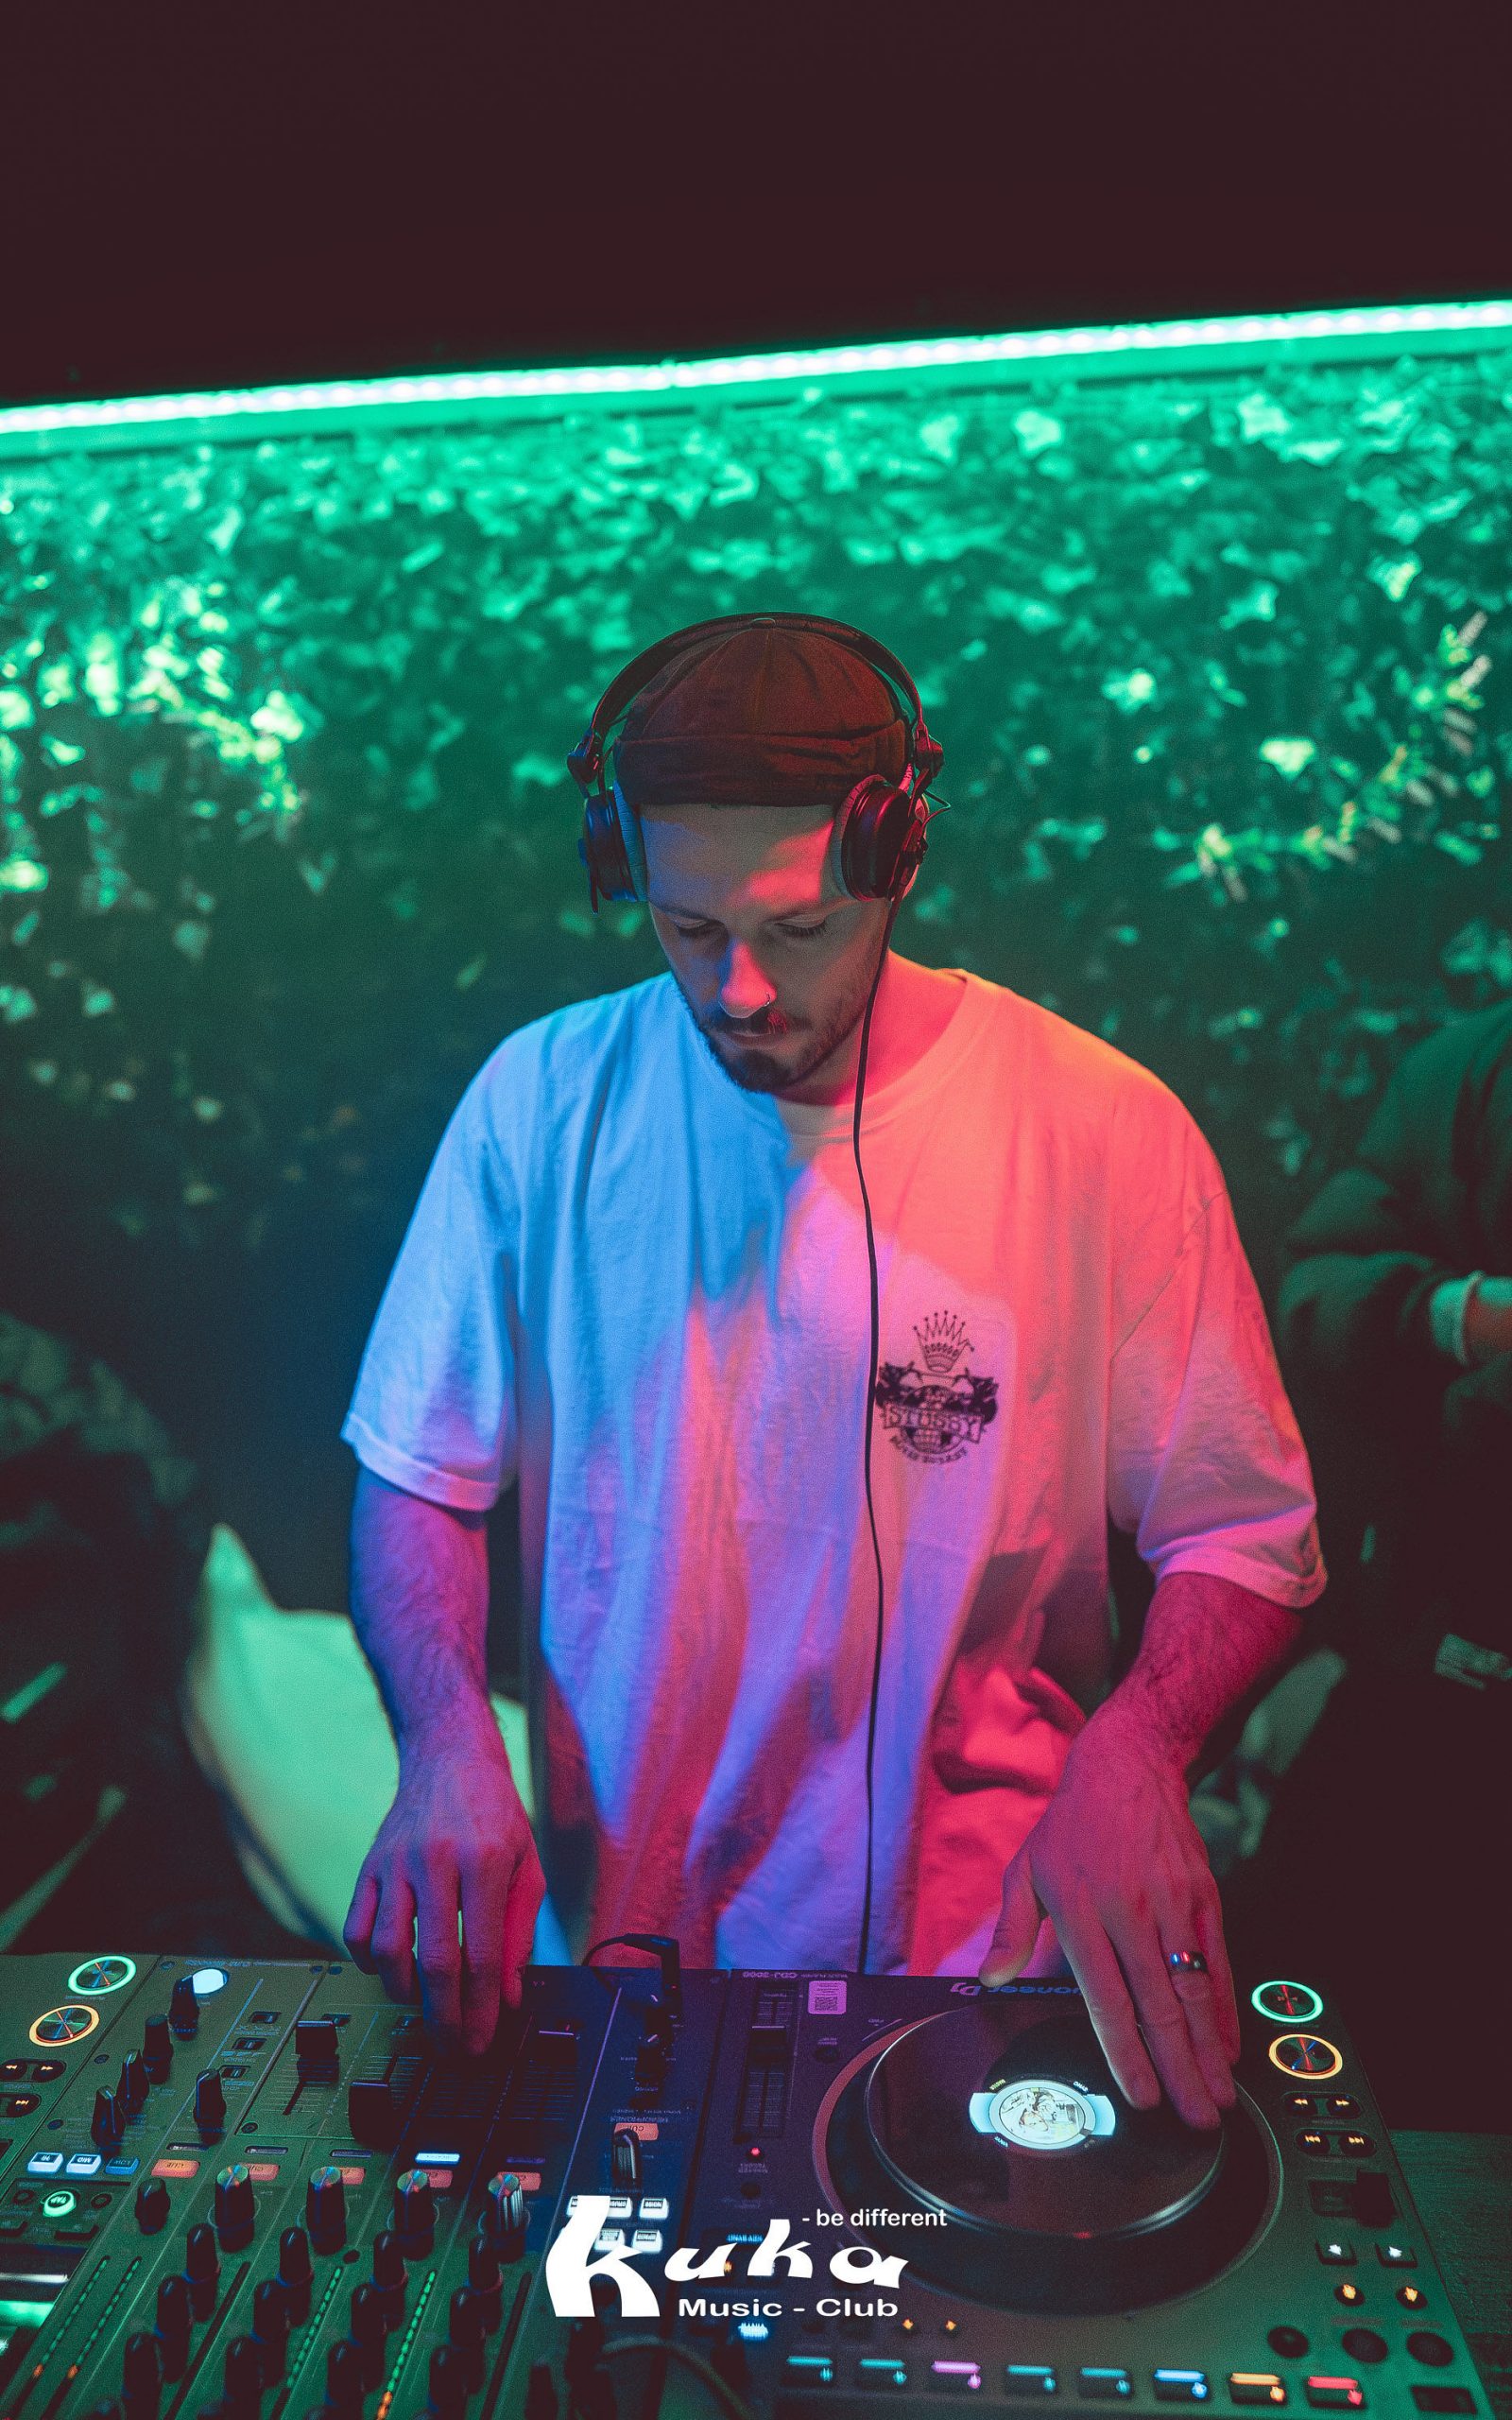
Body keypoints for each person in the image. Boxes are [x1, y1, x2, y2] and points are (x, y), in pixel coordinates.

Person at [337, 614, 1326, 2135]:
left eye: (797, 930)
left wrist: (1143, 1749)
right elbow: (418, 1474)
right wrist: (443, 1742)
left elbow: (1245, 1535)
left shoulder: (1099, 1131)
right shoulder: (537, 1105)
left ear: (895, 860)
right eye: (688, 929)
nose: (738, 987)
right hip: (624, 1963)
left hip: (993, 1975)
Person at [1227, 1001, 1512, 2119]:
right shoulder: (1470, 1070)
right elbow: (1311, 1292)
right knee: (1313, 2071)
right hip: (1431, 1689)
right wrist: (1461, 1314)